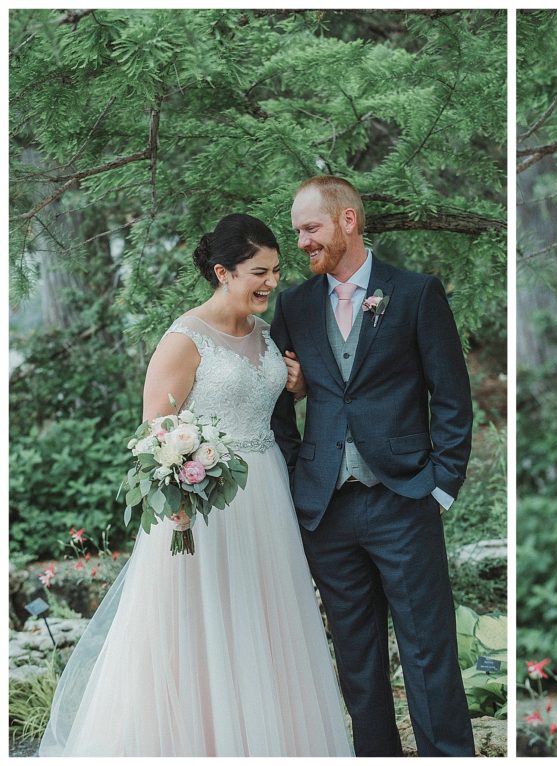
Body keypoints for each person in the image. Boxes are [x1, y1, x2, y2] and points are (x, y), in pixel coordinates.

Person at [39, 214, 353, 756]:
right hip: (201, 505)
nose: (271, 282)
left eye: (276, 270)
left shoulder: (262, 333)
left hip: (267, 496)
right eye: (259, 271)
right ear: (222, 272)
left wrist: (294, 387)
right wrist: (177, 499)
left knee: (263, 620)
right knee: (198, 625)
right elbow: (153, 435)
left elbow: (260, 403)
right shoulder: (185, 339)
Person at [270, 176, 475, 757]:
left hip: (404, 500)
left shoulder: (414, 293)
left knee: (428, 651)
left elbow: (452, 397)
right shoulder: (294, 305)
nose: (303, 242)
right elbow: (278, 404)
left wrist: (441, 486)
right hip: (326, 510)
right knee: (357, 661)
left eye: (311, 228)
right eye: (298, 232)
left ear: (348, 221)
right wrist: (295, 480)